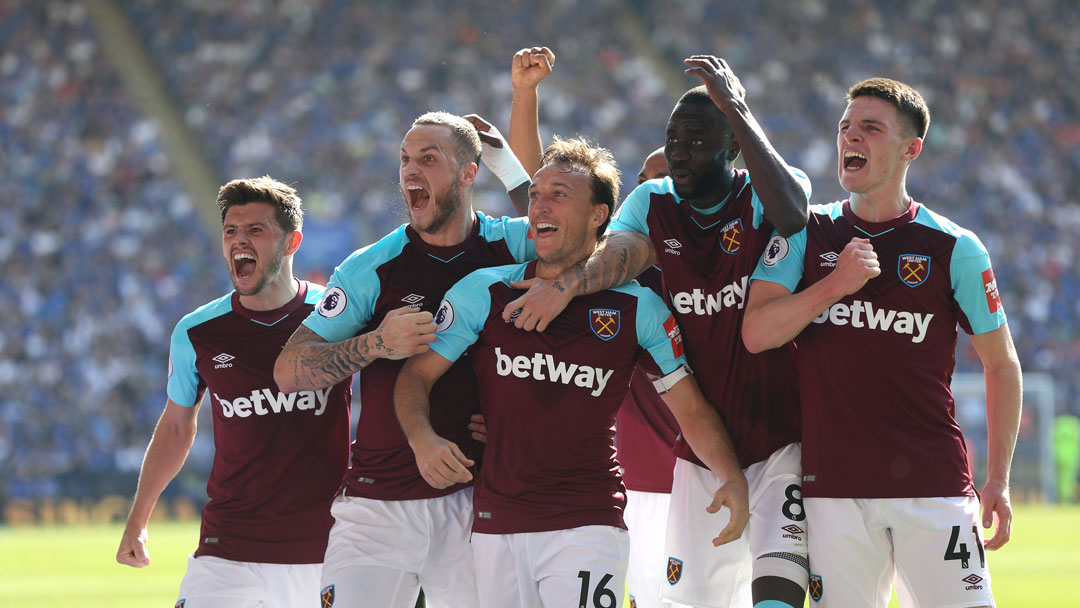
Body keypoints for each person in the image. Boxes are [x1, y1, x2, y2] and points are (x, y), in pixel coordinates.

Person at [503, 55, 812, 608]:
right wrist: (569, 284)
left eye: (695, 138)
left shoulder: (770, 193)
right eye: (672, 138)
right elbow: (597, 247)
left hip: (779, 439)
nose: (678, 150)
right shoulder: (652, 206)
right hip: (695, 454)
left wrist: (734, 105)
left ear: (732, 144)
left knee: (776, 597)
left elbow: (792, 215)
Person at [395, 137, 748, 608]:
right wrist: (423, 439)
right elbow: (415, 378)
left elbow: (690, 407)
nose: (538, 204)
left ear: (600, 215)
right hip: (495, 522)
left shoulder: (638, 307)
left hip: (588, 520)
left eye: (559, 194)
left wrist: (730, 474)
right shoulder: (484, 292)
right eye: (535, 194)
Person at [743, 77, 1022, 608]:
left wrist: (1000, 479)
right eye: (846, 127)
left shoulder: (954, 247)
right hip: (832, 492)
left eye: (871, 128)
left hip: (934, 487)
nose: (852, 138)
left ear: (910, 149)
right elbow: (756, 333)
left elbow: (1001, 363)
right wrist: (833, 286)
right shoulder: (806, 231)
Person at [273, 111, 534, 608]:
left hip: (477, 499)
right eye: (405, 160)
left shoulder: (510, 243)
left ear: (468, 174)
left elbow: (579, 243)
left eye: (429, 160)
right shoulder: (373, 266)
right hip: (378, 504)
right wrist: (374, 344)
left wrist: (510, 167)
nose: (411, 172)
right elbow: (288, 371)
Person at [115, 176, 352, 608]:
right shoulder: (197, 331)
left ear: (292, 241)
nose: (239, 241)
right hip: (227, 550)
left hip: (326, 549)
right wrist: (138, 521)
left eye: (255, 230)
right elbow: (174, 427)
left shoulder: (337, 315)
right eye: (231, 231)